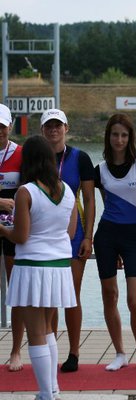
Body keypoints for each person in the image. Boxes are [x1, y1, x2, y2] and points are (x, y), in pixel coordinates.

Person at [1, 135, 77, 400]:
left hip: (32, 266)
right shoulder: (68, 191)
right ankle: (52, 388)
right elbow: (70, 232)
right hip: (59, 266)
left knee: (35, 334)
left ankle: (46, 394)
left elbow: (20, 236)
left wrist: (2, 228)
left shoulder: (26, 191)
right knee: (47, 329)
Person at [94, 114, 136, 372]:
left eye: (124, 135)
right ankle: (120, 353)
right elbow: (107, 203)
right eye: (114, 134)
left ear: (130, 137)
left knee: (134, 300)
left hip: (134, 238)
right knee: (110, 296)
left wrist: (135, 222)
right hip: (106, 237)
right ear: (108, 137)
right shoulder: (99, 170)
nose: (119, 140)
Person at [40, 108, 95, 373]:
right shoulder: (35, 158)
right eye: (49, 126)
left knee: (71, 294)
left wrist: (89, 236)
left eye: (58, 125)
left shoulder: (80, 158)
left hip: (75, 233)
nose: (54, 130)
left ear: (66, 128)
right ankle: (51, 351)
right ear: (42, 130)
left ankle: (74, 352)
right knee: (50, 297)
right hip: (44, 234)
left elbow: (90, 199)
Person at [0, 104, 24, 372]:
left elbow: (30, 191)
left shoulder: (21, 153)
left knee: (15, 289)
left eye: (2, 126)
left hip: (13, 229)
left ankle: (16, 350)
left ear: (10, 126)